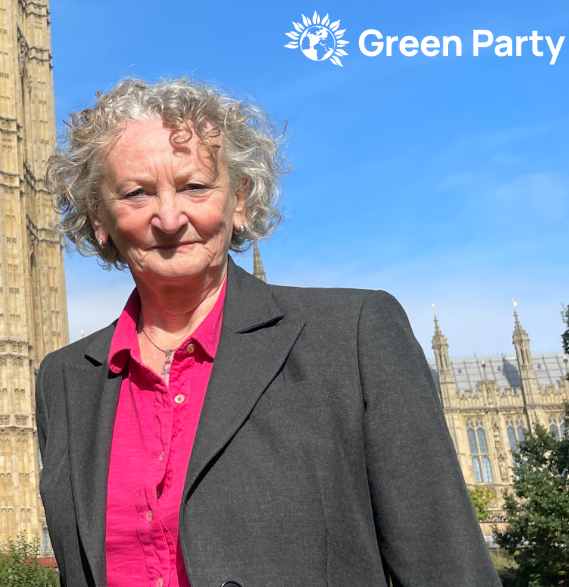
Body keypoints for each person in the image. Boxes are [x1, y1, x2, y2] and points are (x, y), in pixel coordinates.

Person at [36, 77, 499, 587]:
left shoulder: (354, 337)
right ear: (98, 218)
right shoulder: (64, 380)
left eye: (195, 186)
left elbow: (446, 566)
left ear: (241, 201)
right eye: (136, 193)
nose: (168, 218)